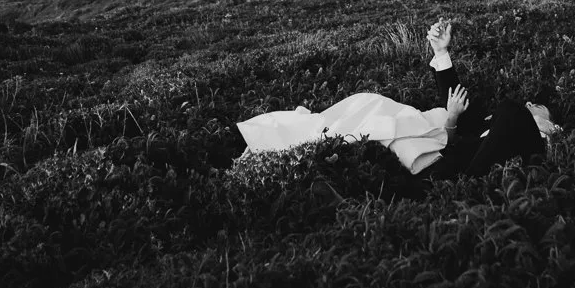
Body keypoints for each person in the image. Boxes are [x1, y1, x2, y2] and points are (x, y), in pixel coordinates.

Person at [235, 19, 558, 179]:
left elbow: (503, 127)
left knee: (509, 108)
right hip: (441, 150)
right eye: (531, 104)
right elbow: (454, 102)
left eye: (537, 107)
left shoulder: (539, 136)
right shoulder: (491, 122)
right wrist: (441, 53)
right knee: (368, 102)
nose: (531, 104)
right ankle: (307, 138)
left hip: (450, 168)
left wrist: (453, 122)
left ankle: (316, 143)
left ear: (549, 122)